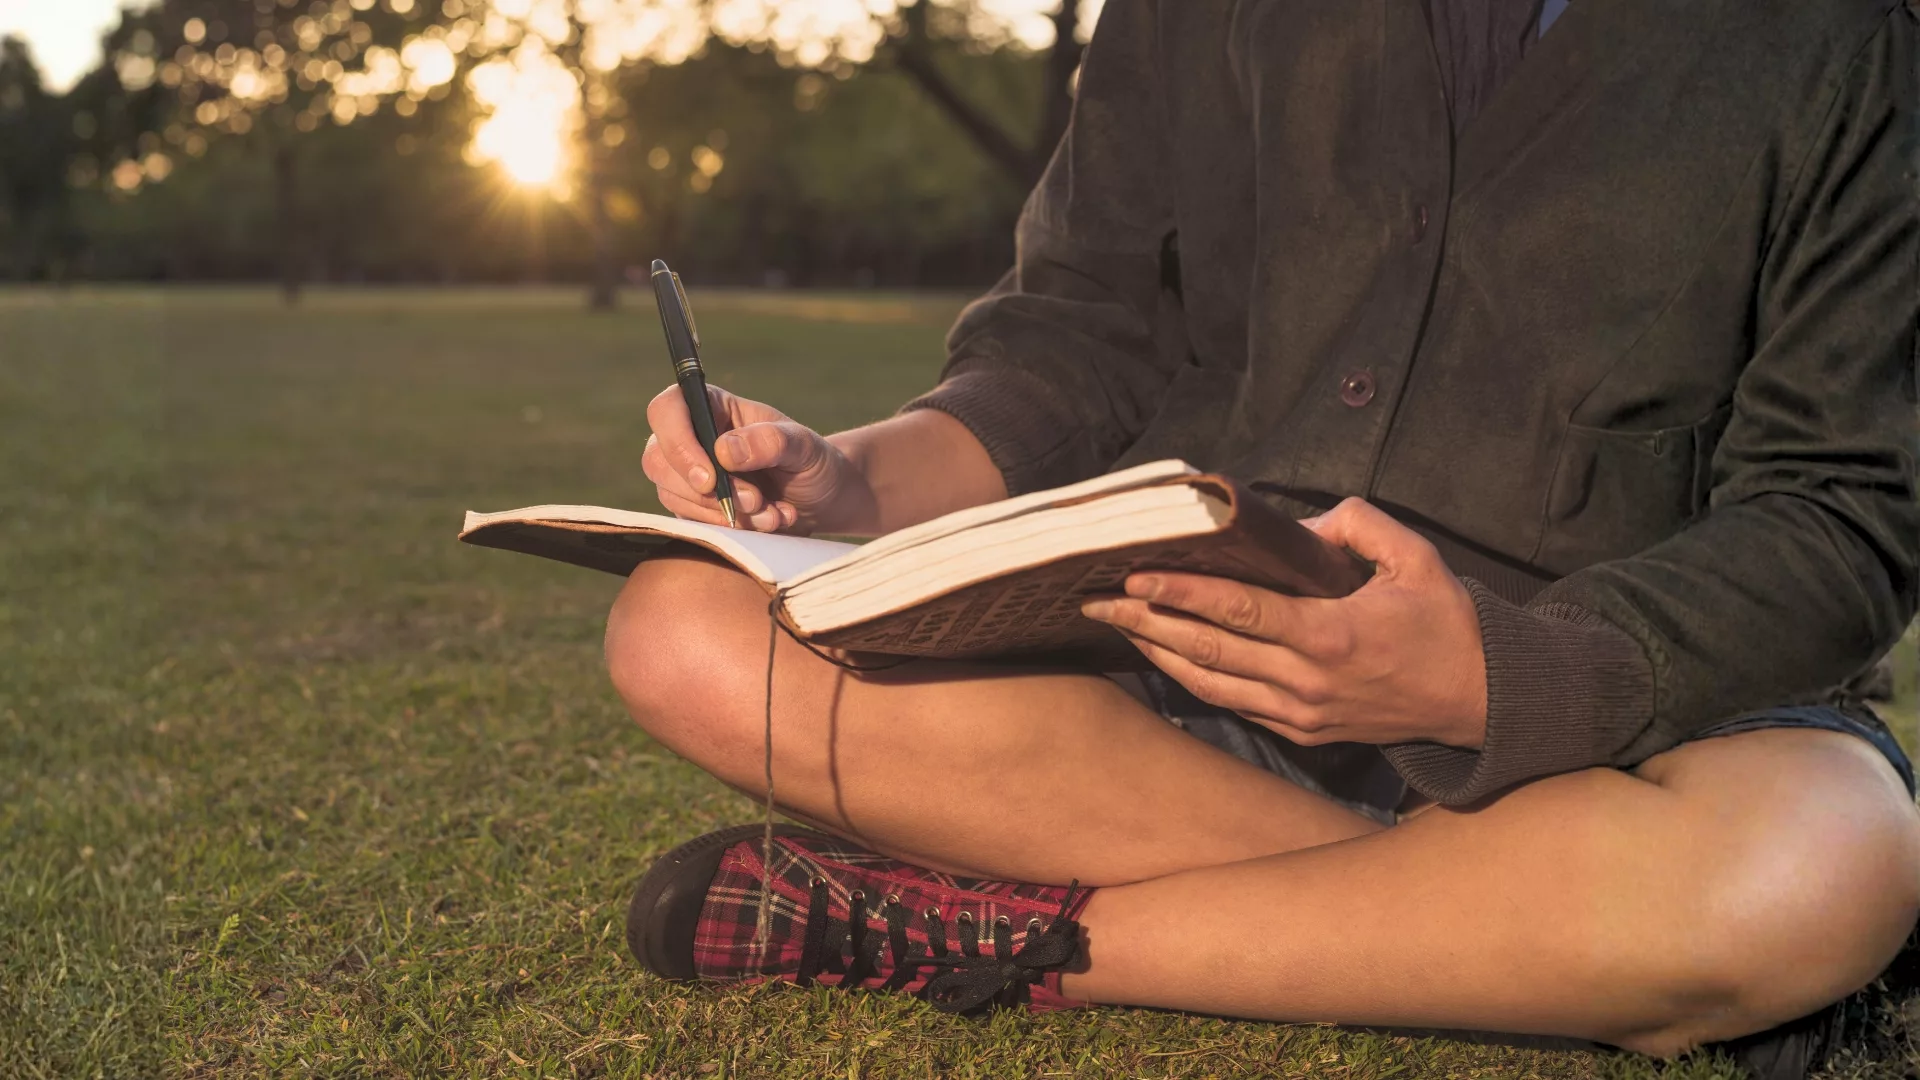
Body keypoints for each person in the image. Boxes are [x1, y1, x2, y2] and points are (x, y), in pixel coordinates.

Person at [602, 0, 1920, 1074]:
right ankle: (1553, 930)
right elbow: (1080, 336)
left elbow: (1845, 502)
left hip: (1639, 719)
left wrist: (1491, 676)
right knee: (687, 629)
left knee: (1821, 865)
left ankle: (1006, 936)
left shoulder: (1852, 39)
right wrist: (850, 480)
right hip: (1181, 678)